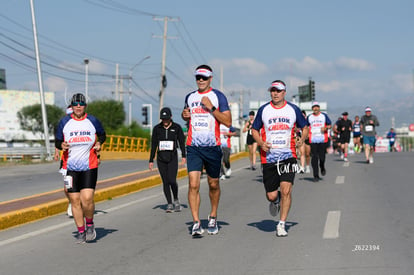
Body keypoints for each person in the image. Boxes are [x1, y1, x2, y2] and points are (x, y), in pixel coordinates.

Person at [251, 80, 308, 237]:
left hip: (288, 156)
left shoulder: (293, 109)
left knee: (286, 190)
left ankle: (281, 224)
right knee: (272, 195)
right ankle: (275, 202)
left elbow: (305, 127)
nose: (275, 93)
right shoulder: (264, 110)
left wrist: (302, 139)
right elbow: (254, 130)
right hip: (268, 158)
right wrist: (261, 143)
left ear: (284, 92)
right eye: (272, 91)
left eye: (278, 91)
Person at [181, 65, 231, 236]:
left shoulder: (218, 96)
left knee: (213, 184)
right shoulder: (190, 96)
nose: (200, 80)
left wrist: (211, 108)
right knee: (193, 184)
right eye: (198, 77)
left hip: (212, 146)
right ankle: (196, 222)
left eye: (204, 77)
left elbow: (228, 121)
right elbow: (186, 114)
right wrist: (184, 115)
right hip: (193, 146)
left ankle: (213, 216)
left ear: (210, 78)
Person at [55, 93, 106, 244]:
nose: (78, 107)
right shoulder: (64, 122)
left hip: (89, 165)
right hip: (70, 167)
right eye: (75, 104)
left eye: (81, 104)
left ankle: (90, 224)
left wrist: (99, 143)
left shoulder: (92, 121)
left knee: (87, 199)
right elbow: (58, 141)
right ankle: (81, 231)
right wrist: (61, 145)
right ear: (71, 106)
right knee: (75, 200)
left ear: (85, 106)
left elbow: (103, 135)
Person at [149, 107, 186, 213]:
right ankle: (169, 204)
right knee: (165, 182)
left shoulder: (177, 127)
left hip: (172, 157)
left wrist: (184, 156)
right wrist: (151, 160)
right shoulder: (157, 129)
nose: (165, 121)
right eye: (163, 119)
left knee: (172, 180)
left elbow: (181, 143)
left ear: (171, 117)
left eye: (166, 119)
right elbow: (154, 145)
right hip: (161, 158)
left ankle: (176, 199)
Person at [307, 101, 332, 182]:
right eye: (314, 107)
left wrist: (326, 128)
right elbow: (305, 126)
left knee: (322, 157)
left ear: (319, 108)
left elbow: (329, 125)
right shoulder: (309, 117)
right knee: (314, 157)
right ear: (312, 108)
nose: (315, 108)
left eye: (317, 107)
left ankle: (322, 166)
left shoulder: (323, 116)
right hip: (313, 139)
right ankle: (316, 175)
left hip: (322, 139)